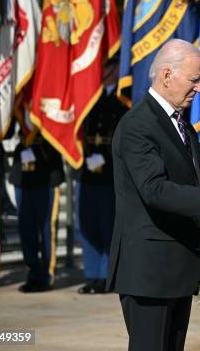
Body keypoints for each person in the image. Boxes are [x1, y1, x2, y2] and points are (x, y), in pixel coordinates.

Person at [107, 39, 200, 351]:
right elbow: (154, 189)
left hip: (177, 265)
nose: (199, 87)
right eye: (194, 80)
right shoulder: (138, 125)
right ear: (167, 75)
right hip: (149, 270)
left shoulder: (180, 124)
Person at [74, 59, 128, 294]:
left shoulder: (122, 99)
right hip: (87, 168)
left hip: (110, 171)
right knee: (88, 224)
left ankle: (107, 276)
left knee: (108, 225)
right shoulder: (89, 98)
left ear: (116, 70)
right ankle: (92, 274)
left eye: (107, 67)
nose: (103, 72)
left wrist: (107, 158)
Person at [9, 131, 64, 292]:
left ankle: (46, 275)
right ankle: (33, 272)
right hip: (23, 171)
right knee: (26, 227)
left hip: (46, 166)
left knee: (46, 228)